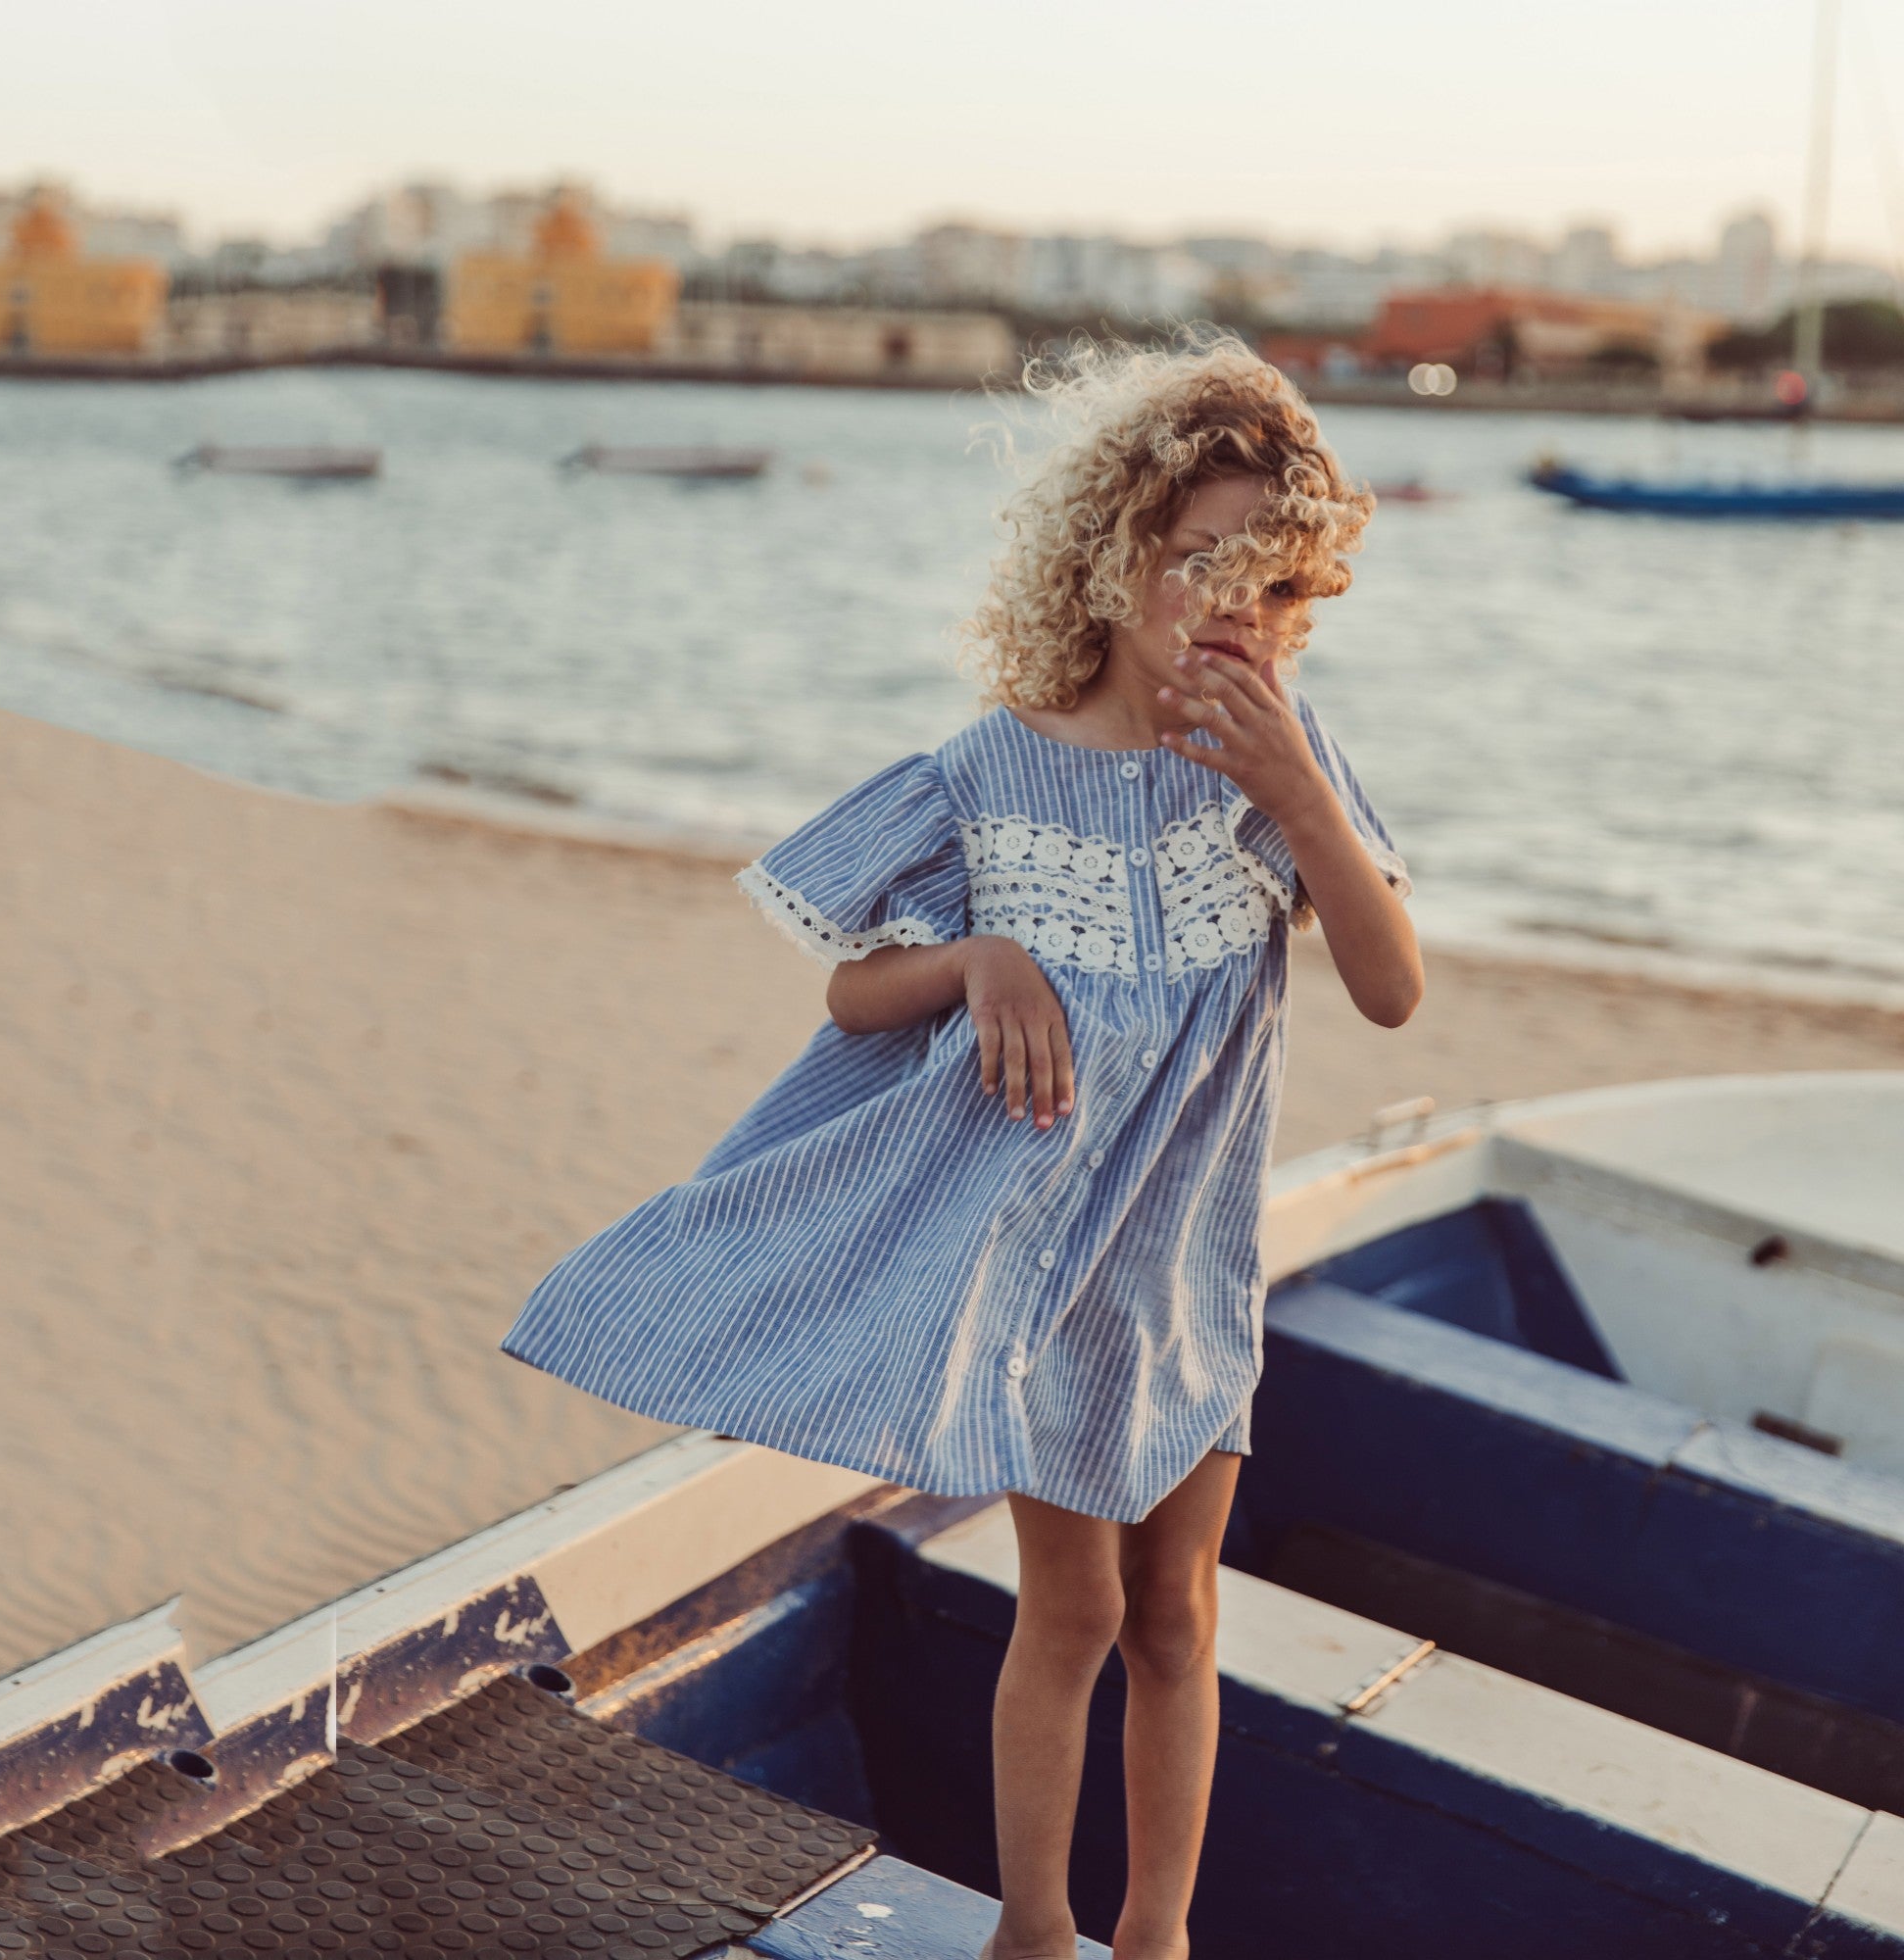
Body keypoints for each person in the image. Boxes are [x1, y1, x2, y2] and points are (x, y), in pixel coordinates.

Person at [502, 331, 1422, 1960]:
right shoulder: (989, 776)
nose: (1236, 611)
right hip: (1045, 1262)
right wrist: (981, 961)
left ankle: (1159, 1934)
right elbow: (860, 996)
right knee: (1066, 1612)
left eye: (1277, 587)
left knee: (1178, 1614)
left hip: (1189, 1270)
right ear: (1116, 558)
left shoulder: (1283, 770)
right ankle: (1034, 1931)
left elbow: (1391, 986)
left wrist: (1301, 796)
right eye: (1200, 562)